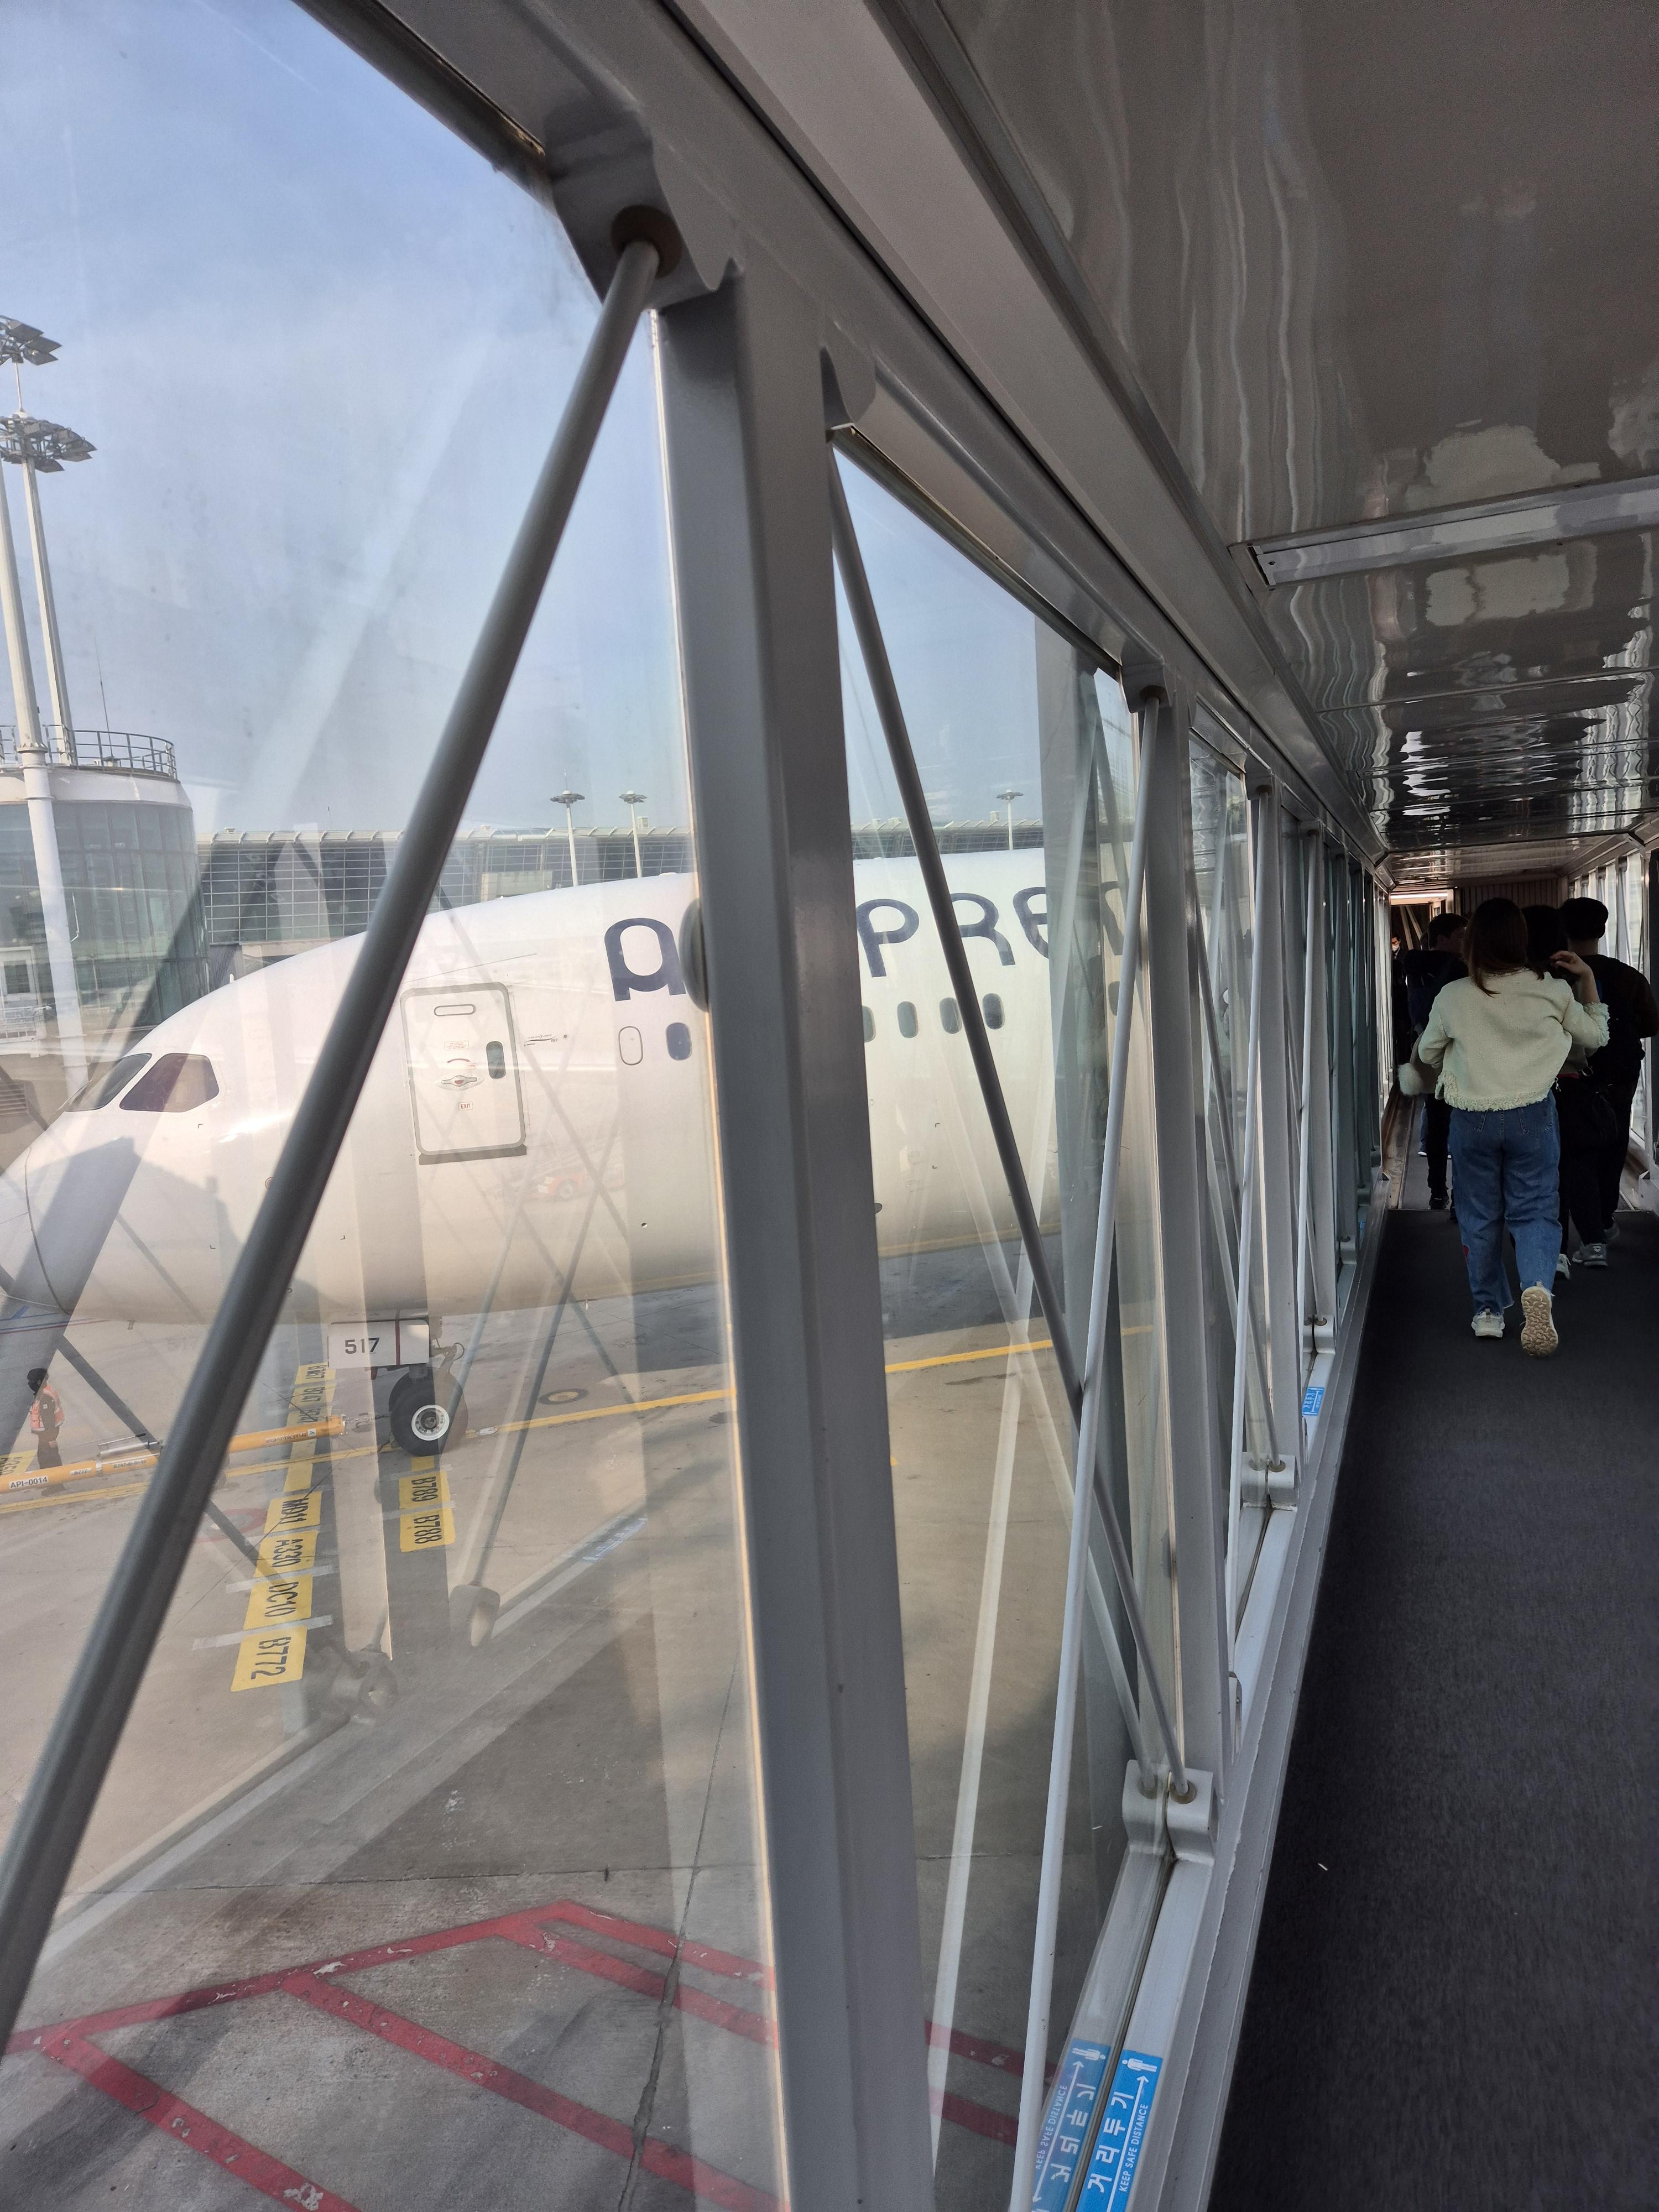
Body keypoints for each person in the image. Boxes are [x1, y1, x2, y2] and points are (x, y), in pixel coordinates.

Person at [1402, 898, 1608, 1354]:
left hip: (1472, 1118)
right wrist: (1587, 978)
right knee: (1535, 1209)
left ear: (1472, 943)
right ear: (1522, 940)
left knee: (1479, 1214)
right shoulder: (1551, 990)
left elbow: (1429, 1052)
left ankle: (1488, 1312)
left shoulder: (1454, 995)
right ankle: (1537, 1287)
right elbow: (1595, 1037)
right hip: (1533, 1114)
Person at [1559, 895, 1659, 1235]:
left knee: (1572, 1146)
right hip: (1620, 1073)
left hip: (1569, 1074)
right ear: (1602, 931)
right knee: (1614, 1141)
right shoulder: (1628, 977)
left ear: (1563, 931)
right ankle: (1603, 1217)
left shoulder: (1553, 977)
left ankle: (1567, 1221)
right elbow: (1650, 1024)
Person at [1524, 905, 1610, 1270]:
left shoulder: (1511, 985)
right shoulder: (1573, 980)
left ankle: (1555, 1252)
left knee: (1543, 1173)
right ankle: (1594, 1243)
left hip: (1530, 1090)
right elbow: (1593, 1043)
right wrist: (1586, 976)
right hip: (1572, 1085)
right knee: (1579, 1167)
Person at [1401, 913, 1465, 1208]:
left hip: (1428, 1051)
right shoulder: (1460, 969)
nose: (1465, 942)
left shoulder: (1412, 968)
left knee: (1437, 1124)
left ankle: (1437, 1190)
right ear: (1442, 939)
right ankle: (1462, 1196)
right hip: (1460, 1052)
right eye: (1460, 936)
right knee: (1464, 1126)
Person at [27, 1366, 63, 1469]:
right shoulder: (45, 1390)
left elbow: (48, 1419)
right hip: (46, 1433)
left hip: (47, 1434)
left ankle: (53, 1478)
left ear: (39, 1382)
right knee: (50, 1456)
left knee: (47, 1458)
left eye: (31, 1381)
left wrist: (51, 1439)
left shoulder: (44, 1397)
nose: (29, 1384)